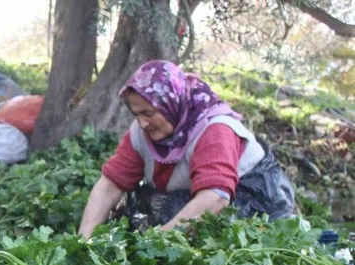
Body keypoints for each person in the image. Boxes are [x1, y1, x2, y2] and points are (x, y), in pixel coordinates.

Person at [78, 60, 295, 239]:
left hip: (255, 202)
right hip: (194, 196)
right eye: (136, 114)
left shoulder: (214, 129)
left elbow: (215, 197)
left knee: (171, 215)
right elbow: (110, 185)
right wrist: (83, 242)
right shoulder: (141, 132)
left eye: (149, 112)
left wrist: (159, 242)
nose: (142, 122)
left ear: (171, 104)